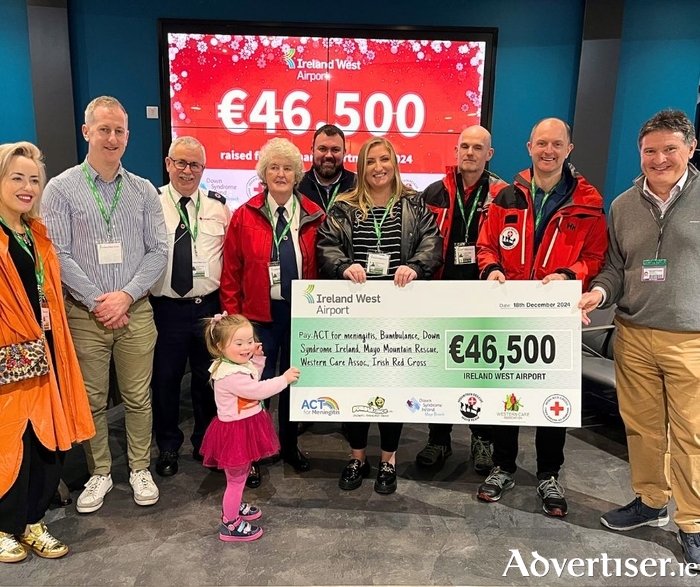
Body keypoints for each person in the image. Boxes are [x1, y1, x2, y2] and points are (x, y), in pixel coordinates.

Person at [579, 109, 700, 568]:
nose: (660, 159)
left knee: (692, 436)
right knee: (644, 430)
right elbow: (616, 267)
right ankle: (651, 502)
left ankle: (693, 524)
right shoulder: (623, 205)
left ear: (690, 149)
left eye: (670, 149)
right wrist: (598, 292)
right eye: (651, 150)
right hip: (634, 333)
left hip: (692, 339)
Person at [42, 96, 168, 513]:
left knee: (137, 396)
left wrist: (126, 296)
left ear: (128, 136)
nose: (111, 138)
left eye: (119, 131)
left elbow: (158, 250)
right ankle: (99, 473)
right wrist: (100, 301)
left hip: (135, 311)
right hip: (85, 314)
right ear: (86, 132)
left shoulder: (144, 190)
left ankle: (138, 468)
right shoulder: (60, 189)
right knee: (93, 400)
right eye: (103, 129)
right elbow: (57, 253)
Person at [476, 118, 607, 517]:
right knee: (507, 397)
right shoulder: (506, 196)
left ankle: (549, 473)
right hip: (510, 314)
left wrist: (570, 275)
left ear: (569, 149)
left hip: (556, 316)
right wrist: (491, 269)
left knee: (553, 401)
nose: (548, 151)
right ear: (529, 147)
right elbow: (486, 246)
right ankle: (502, 467)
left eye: (557, 144)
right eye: (541, 144)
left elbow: (596, 258)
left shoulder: (589, 202)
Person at [317, 136, 443, 494]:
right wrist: (343, 266)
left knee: (394, 388)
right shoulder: (343, 206)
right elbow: (326, 246)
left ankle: (388, 460)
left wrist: (416, 266)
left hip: (399, 315)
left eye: (384, 159)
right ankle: (358, 457)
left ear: (394, 162)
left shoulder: (414, 204)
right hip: (355, 316)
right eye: (370, 161)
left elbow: (432, 245)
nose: (378, 167)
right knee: (354, 389)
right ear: (361, 166)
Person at [0, 142, 95, 562]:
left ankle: (33, 522)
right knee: (10, 444)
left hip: (48, 352)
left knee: (48, 444)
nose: (27, 187)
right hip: (8, 361)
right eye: (16, 177)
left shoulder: (34, 234)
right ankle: (5, 527)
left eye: (34, 179)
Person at [220, 137, 324, 488]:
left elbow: (323, 268)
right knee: (252, 390)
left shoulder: (314, 214)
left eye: (288, 168)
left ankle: (290, 444)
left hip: (300, 317)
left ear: (298, 175)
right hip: (256, 320)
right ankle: (251, 455)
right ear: (263, 174)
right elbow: (231, 272)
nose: (281, 174)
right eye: (274, 167)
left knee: (294, 384)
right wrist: (236, 325)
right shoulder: (243, 215)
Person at [415, 125, 507, 474]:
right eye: (464, 146)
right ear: (456, 151)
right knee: (440, 371)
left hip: (484, 295)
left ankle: (482, 438)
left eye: (477, 147)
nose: (469, 152)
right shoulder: (434, 192)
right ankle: (438, 438)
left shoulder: (503, 194)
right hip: (440, 292)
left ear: (489, 154)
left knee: (479, 371)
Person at [150, 136, 232, 477]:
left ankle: (205, 444)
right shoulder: (150, 203)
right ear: (168, 164)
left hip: (207, 308)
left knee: (207, 380)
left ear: (203, 168)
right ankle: (168, 446)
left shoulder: (218, 207)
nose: (187, 170)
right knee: (165, 381)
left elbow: (229, 257)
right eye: (180, 163)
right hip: (165, 309)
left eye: (194, 164)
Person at [200, 312, 300, 541]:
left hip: (243, 427)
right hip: (236, 432)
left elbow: (252, 377)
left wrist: (256, 360)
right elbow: (257, 390)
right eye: (239, 343)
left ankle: (233, 507)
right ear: (220, 346)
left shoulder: (234, 365)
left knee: (240, 475)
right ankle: (230, 522)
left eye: (249, 341)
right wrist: (284, 379)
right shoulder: (230, 375)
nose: (246, 347)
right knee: (235, 480)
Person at [297, 124, 357, 211]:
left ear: (344, 152)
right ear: (312, 150)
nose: (328, 155)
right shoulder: (297, 186)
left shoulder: (357, 187)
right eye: (322, 149)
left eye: (335, 150)